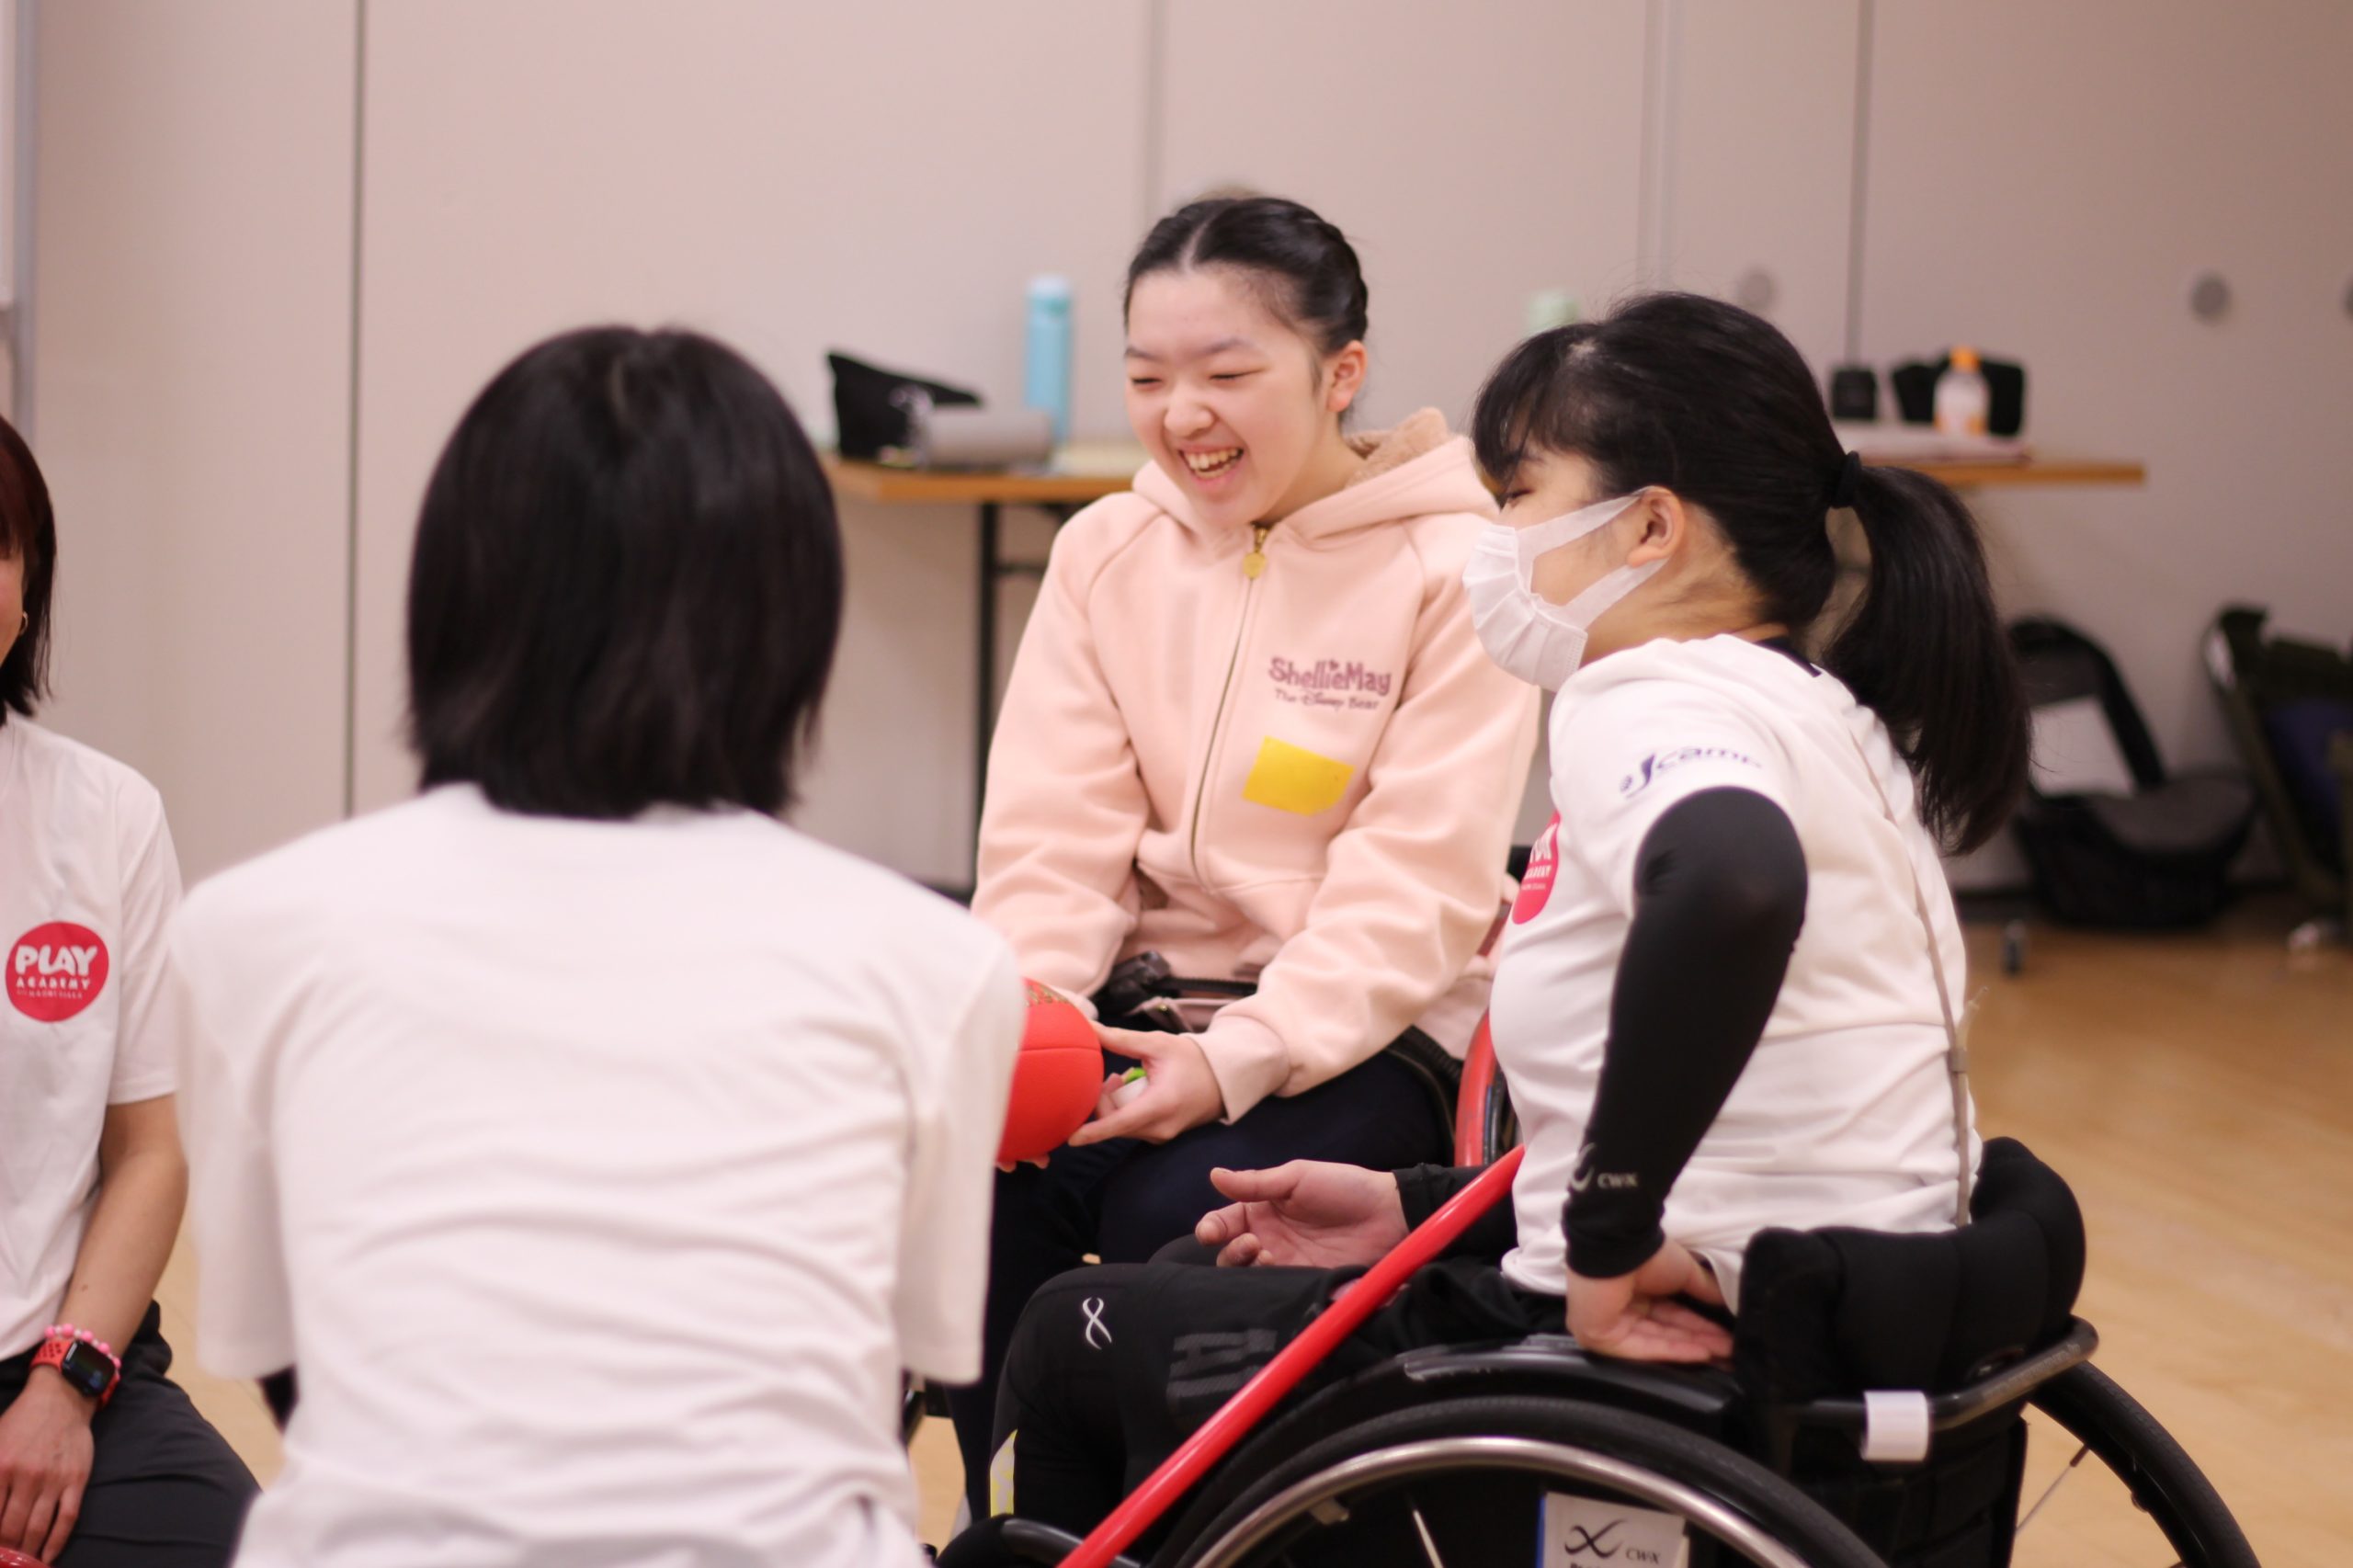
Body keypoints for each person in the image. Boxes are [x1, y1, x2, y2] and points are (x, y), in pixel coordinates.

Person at [975, 291, 2032, 1536]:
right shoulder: (1821, 708)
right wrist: (1421, 1204)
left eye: (1520, 494)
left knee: (1072, 1337)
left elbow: (1734, 885)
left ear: (1650, 527)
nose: (1496, 534)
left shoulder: (1648, 696)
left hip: (1686, 1329)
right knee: (1201, 1265)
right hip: (1854, 1296)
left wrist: (1607, 1233)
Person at [166, 328, 1026, 1568]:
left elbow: (287, 1362)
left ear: (453, 599)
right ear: (789, 621)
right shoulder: (937, 964)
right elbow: (891, 1371)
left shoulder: (249, 930)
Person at [954, 196, 1540, 1510]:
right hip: (1136, 1016)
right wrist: (1031, 1027)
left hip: (1360, 1035)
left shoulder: (1460, 568)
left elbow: (1415, 887)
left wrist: (1234, 1059)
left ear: (1341, 373)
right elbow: (1051, 843)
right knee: (967, 1190)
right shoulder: (1106, 551)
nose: (1183, 416)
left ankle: (1185, 1529)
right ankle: (1009, 1524)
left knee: (1182, 1219)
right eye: (1147, 378)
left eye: (1227, 373)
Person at [0, 414, 256, 1565]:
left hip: (56, 1359)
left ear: (30, 589)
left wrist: (62, 1388)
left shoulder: (107, 818)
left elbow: (151, 1150)